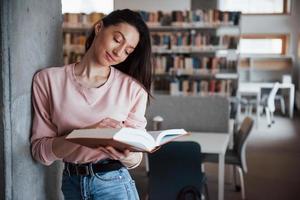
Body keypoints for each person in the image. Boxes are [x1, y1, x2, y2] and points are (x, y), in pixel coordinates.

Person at [30, 9, 152, 200]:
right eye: (117, 40)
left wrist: (126, 155)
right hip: (71, 184)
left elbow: (136, 159)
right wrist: (84, 135)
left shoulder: (133, 90)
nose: (119, 52)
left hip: (115, 184)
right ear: (99, 27)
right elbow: (40, 152)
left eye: (128, 51)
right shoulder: (48, 80)